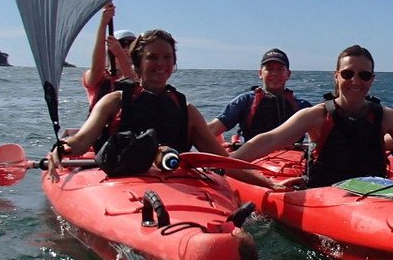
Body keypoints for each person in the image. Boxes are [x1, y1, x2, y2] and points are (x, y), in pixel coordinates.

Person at [49, 30, 271, 188]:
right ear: (137, 63)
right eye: (152, 57)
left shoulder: (187, 111)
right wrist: (62, 149)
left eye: (167, 58)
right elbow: (81, 142)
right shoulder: (113, 102)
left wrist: (270, 183)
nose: (161, 64)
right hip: (122, 184)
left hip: (176, 185)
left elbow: (222, 161)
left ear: (173, 64)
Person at [232, 45, 393, 189]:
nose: (356, 82)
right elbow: (267, 141)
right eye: (348, 74)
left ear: (372, 79)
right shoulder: (316, 116)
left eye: (364, 75)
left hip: (374, 200)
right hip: (325, 202)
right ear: (337, 76)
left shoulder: (386, 117)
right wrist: (263, 181)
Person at [207, 48, 312, 144]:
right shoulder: (244, 101)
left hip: (293, 159)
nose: (274, 73)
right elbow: (212, 129)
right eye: (269, 69)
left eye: (280, 69)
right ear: (260, 73)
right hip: (252, 158)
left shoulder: (303, 106)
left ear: (288, 74)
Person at [81, 3, 138, 109]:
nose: (125, 49)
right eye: (121, 44)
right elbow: (97, 69)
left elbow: (138, 87)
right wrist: (103, 24)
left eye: (130, 45)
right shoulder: (100, 76)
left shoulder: (140, 76)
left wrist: (120, 55)